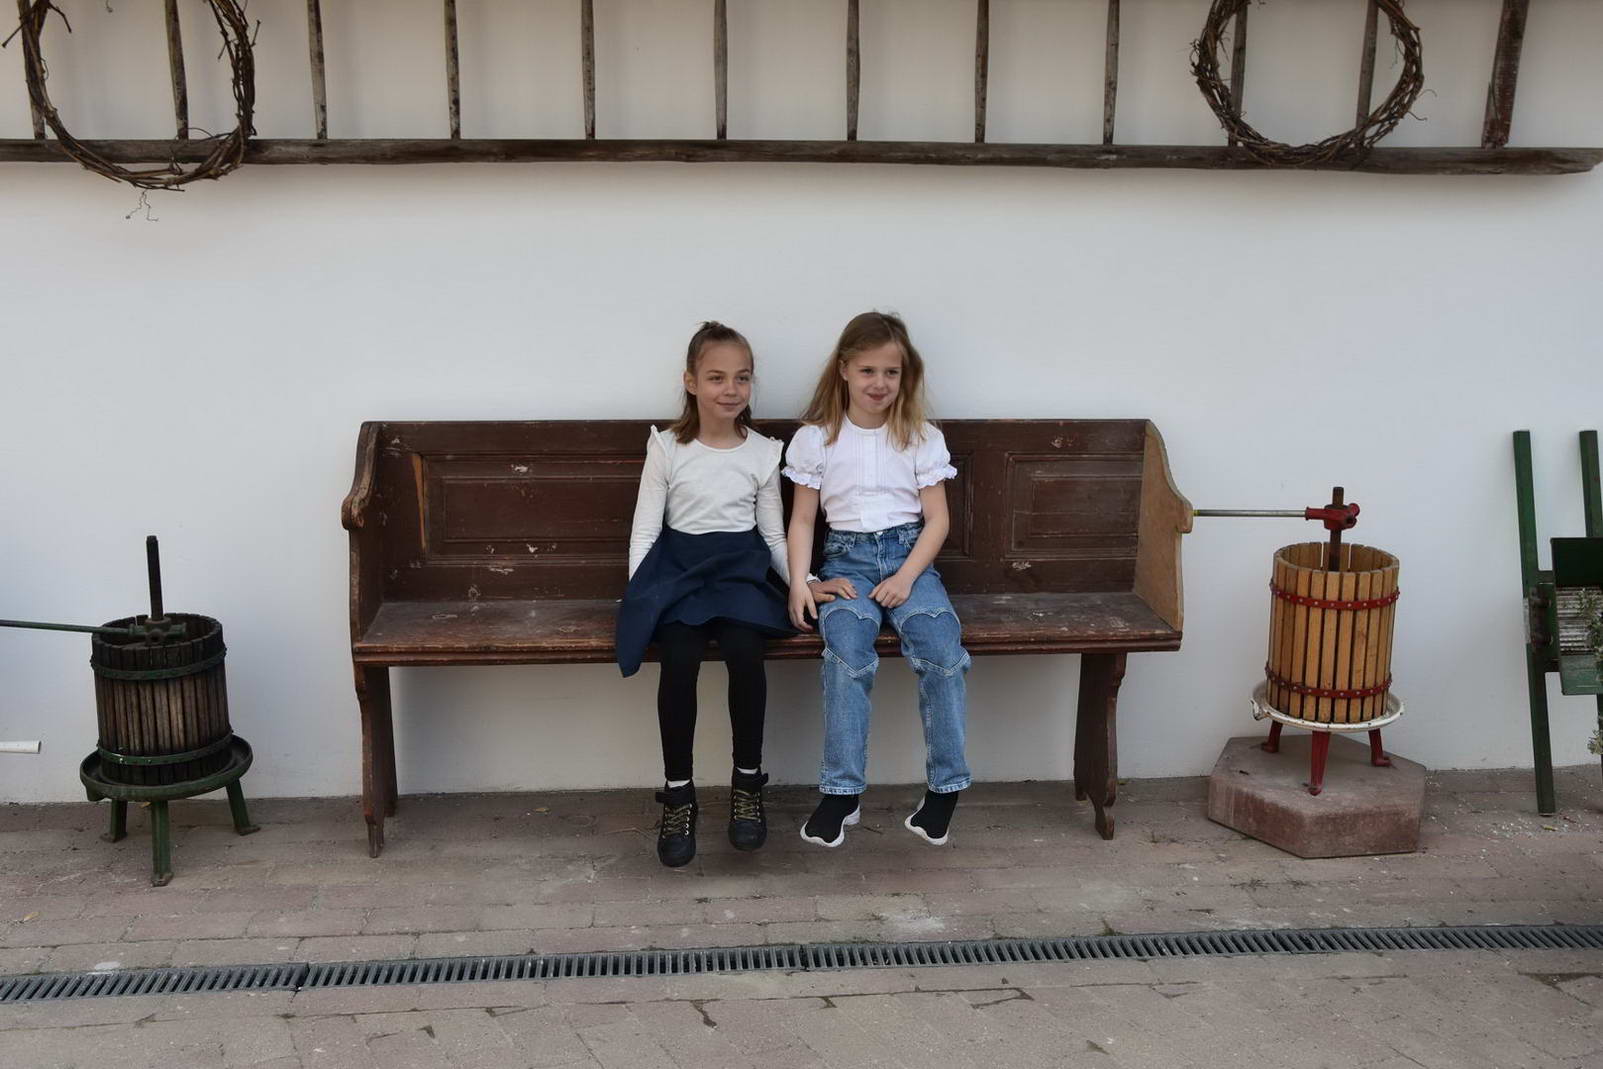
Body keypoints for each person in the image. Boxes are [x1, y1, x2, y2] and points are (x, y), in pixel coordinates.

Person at [783, 310, 971, 849]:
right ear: (844, 369)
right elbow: (803, 520)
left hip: (911, 560)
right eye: (868, 370)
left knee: (941, 648)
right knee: (846, 648)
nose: (879, 383)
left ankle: (946, 789)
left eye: (891, 372)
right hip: (847, 564)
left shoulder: (919, 437)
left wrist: (907, 577)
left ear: (905, 375)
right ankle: (841, 793)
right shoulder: (817, 439)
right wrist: (802, 581)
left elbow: (938, 521)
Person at [616, 322, 797, 868]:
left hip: (740, 573)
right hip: (680, 572)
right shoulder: (667, 448)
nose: (731, 389)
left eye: (742, 377)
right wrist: (642, 594)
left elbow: (773, 537)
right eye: (717, 377)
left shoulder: (763, 453)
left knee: (745, 651)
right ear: (691, 382)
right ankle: (679, 794)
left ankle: (747, 785)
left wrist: (803, 584)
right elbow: (645, 533)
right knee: (679, 657)